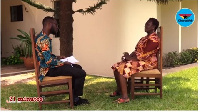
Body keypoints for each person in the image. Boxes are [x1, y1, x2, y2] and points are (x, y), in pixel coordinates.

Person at [35, 16, 89, 106]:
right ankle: (75, 99)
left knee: (77, 68)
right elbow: (49, 61)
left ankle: (74, 97)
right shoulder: (44, 40)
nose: (57, 27)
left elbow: (45, 56)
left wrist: (58, 57)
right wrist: (64, 62)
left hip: (48, 67)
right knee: (81, 73)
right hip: (48, 70)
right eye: (56, 25)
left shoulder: (42, 37)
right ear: (49, 24)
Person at [111, 18, 160, 103]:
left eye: (148, 24)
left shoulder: (154, 39)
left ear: (153, 27)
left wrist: (129, 59)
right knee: (116, 66)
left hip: (148, 62)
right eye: (145, 23)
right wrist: (128, 56)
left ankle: (125, 97)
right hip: (140, 60)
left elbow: (145, 55)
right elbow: (137, 50)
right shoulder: (144, 38)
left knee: (123, 67)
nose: (145, 25)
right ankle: (120, 90)